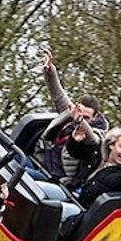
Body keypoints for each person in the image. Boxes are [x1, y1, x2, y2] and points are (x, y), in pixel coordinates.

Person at [40, 50, 108, 190]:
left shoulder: (98, 132)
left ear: (95, 117)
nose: (82, 118)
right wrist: (49, 70)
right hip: (43, 165)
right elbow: (57, 94)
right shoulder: (71, 112)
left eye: (87, 117)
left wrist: (79, 121)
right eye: (80, 113)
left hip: (62, 181)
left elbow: (92, 139)